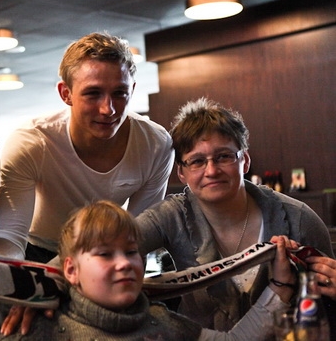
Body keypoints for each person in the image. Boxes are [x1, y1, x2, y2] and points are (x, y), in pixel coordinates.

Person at [135, 97, 334, 331]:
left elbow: (327, 312)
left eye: (223, 157)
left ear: (245, 160)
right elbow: (111, 246)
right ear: (181, 173)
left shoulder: (299, 219)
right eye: (197, 161)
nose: (211, 170)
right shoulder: (171, 215)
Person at [0, 32, 174, 263]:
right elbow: (10, 235)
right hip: (37, 249)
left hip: (103, 251)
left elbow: (137, 233)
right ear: (66, 93)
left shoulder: (155, 144)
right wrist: (1, 271)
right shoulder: (32, 142)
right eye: (93, 94)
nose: (108, 109)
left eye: (119, 93)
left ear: (132, 90)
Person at [0, 200, 296, 340]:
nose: (124, 263)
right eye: (104, 254)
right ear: (70, 270)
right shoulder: (38, 331)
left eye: (130, 252)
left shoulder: (163, 323)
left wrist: (280, 285)